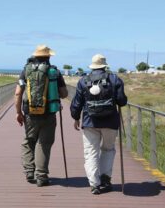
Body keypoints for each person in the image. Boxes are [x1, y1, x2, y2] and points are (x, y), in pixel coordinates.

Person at [70, 54, 127, 195]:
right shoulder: (114, 79)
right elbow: (122, 101)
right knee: (108, 150)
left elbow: (77, 103)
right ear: (104, 65)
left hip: (90, 122)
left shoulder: (83, 81)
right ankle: (105, 179)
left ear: (92, 66)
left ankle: (94, 184)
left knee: (91, 153)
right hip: (110, 122)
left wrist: (76, 118)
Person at [14, 45, 68, 187]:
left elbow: (18, 93)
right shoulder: (54, 71)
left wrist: (18, 112)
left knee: (29, 141)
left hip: (30, 113)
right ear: (48, 56)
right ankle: (42, 176)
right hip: (49, 112)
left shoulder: (26, 70)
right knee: (44, 143)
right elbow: (64, 94)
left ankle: (29, 171)